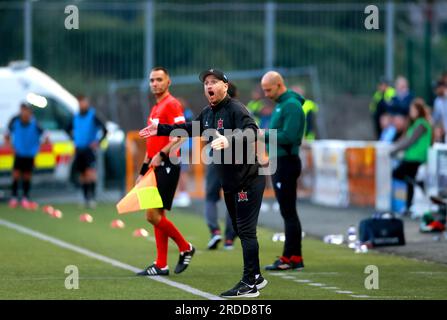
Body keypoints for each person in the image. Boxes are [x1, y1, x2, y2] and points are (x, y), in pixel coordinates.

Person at [140, 68, 268, 298]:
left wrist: (228, 140)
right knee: (239, 230)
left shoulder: (236, 108)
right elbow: (190, 128)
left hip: (248, 180)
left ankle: (249, 283)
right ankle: (256, 276)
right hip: (230, 182)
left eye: (214, 82)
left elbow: (252, 131)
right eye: (206, 82)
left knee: (246, 232)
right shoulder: (209, 113)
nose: (209, 86)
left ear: (225, 86)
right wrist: (160, 129)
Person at [136, 67, 195, 277]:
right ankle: (161, 264)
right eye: (152, 80)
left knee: (151, 215)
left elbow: (182, 134)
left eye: (159, 79)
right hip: (155, 166)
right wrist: (143, 171)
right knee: (157, 214)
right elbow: (150, 142)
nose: (155, 83)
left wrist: (162, 154)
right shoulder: (155, 108)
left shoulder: (172, 104)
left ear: (168, 82)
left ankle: (185, 246)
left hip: (168, 164)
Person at [260, 71, 306, 271]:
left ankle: (292, 257)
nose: (266, 94)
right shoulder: (282, 105)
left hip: (286, 162)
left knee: (288, 211)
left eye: (269, 90)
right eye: (264, 90)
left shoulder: (291, 106)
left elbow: (290, 137)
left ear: (279, 85)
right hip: (281, 161)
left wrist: (263, 134)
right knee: (287, 211)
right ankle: (292, 256)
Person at [204, 82, 238, 251]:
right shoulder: (241, 111)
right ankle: (230, 238)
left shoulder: (213, 111)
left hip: (215, 158)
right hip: (236, 160)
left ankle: (214, 231)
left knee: (211, 196)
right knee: (233, 198)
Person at [391, 98, 433, 215]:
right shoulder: (415, 124)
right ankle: (408, 206)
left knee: (397, 173)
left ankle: (418, 183)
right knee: (408, 180)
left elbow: (410, 141)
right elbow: (405, 139)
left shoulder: (421, 124)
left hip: (415, 157)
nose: (411, 112)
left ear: (418, 110)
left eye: (412, 110)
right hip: (411, 156)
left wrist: (395, 150)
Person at [67, 95, 108, 209]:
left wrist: (97, 142)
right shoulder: (75, 116)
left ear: (87, 103)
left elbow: (105, 129)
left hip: (89, 150)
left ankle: (92, 198)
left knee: (90, 174)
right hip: (79, 149)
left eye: (83, 102)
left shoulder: (93, 115)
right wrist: (73, 139)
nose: (82, 105)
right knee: (82, 175)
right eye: (80, 103)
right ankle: (85, 198)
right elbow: (67, 129)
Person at [6, 103, 47, 209]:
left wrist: (37, 147)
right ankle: (14, 197)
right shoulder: (15, 121)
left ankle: (25, 198)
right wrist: (11, 147)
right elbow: (7, 134)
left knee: (27, 175)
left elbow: (46, 137)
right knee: (15, 174)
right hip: (19, 153)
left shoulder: (35, 123)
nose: (24, 113)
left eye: (27, 111)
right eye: (23, 110)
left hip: (30, 154)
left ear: (30, 112)